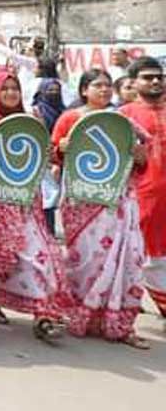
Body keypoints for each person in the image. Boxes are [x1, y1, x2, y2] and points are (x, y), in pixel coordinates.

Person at [52, 69, 149, 349]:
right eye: (98, 85)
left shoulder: (123, 120)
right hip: (82, 204)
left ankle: (118, 322)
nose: (105, 90)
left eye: (108, 85)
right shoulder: (71, 118)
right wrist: (62, 148)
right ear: (84, 90)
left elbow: (141, 157)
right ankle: (80, 315)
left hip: (117, 202)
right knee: (84, 261)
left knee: (125, 259)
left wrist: (140, 157)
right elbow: (53, 154)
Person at [0, 69, 68, 342]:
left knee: (42, 255)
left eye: (14, 88)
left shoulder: (31, 119)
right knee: (2, 255)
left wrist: (52, 152)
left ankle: (44, 315)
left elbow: (44, 153)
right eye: (5, 89)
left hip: (29, 202)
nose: (11, 93)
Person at [118, 57, 165, 317]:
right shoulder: (124, 116)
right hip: (144, 195)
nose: (156, 81)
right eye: (148, 77)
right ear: (133, 83)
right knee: (150, 256)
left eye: (159, 76)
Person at [33, 78, 67, 235]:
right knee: (48, 196)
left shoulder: (64, 112)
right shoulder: (36, 111)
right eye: (50, 90)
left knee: (58, 196)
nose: (54, 93)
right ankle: (47, 231)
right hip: (43, 159)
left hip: (61, 159)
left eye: (56, 90)